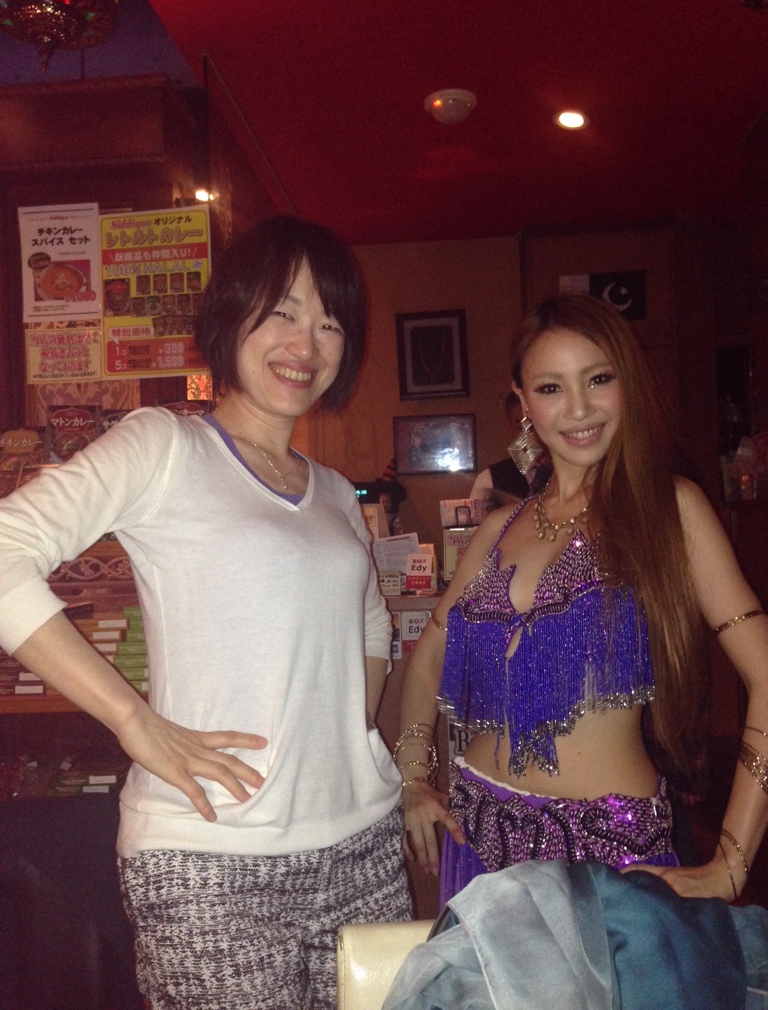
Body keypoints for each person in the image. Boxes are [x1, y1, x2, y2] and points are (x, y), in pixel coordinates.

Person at [0, 216, 411, 1010]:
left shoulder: (333, 491)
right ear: (232, 315)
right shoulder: (166, 446)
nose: (307, 343)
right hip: (209, 856)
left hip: (361, 842)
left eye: (330, 322)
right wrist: (132, 719)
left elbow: (371, 619)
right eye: (283, 311)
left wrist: (343, 733)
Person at [396, 292, 768, 908]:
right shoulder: (497, 528)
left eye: (598, 379)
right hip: (478, 844)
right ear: (522, 401)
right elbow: (429, 656)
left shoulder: (670, 510)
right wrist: (413, 776)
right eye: (551, 387)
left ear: (628, 383)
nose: (578, 408)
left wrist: (732, 862)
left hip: (610, 860)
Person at [469, 391, 548, 511]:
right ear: (511, 426)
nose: (529, 434)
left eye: (534, 425)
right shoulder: (489, 480)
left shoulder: (574, 472)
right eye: (520, 427)